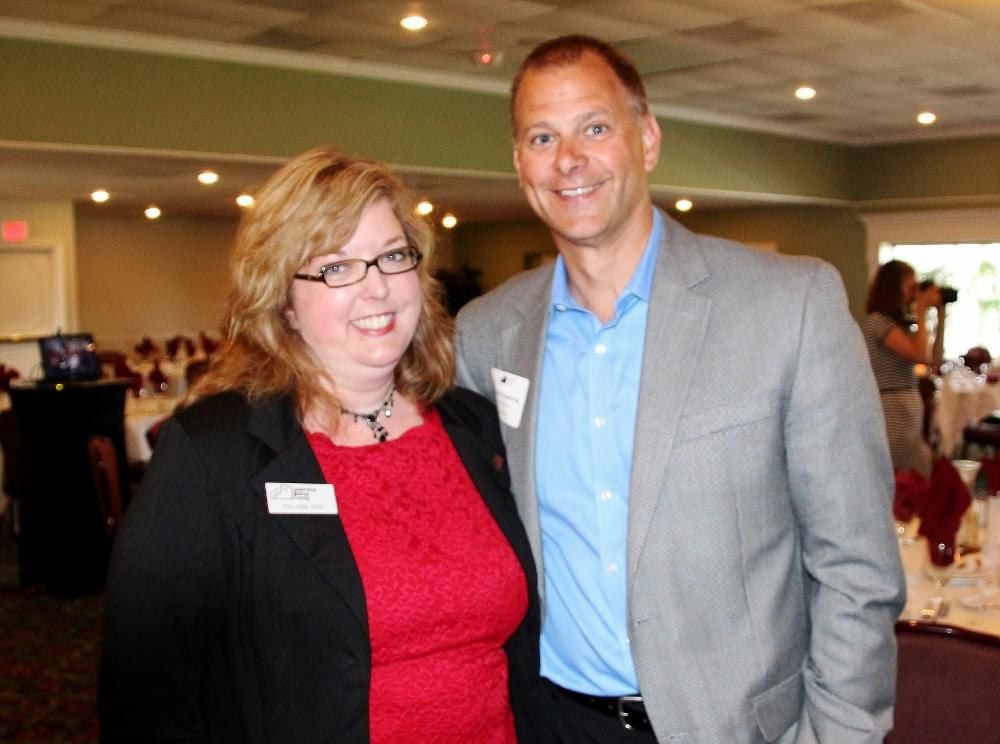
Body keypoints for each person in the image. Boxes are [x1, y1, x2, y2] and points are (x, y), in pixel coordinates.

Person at [455, 35, 906, 744]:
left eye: (595, 128)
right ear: (520, 165)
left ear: (648, 138)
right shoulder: (486, 335)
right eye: (543, 137)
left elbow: (856, 565)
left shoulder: (790, 304)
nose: (569, 158)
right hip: (551, 721)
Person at [99, 148, 541, 744]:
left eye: (392, 256)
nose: (377, 288)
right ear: (282, 299)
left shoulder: (476, 429)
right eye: (336, 267)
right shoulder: (214, 454)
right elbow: (147, 696)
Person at [863, 260, 945, 476]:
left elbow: (933, 359)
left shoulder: (899, 325)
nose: (914, 293)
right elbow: (919, 354)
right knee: (910, 474)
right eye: (910, 287)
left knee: (919, 471)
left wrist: (940, 317)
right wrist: (921, 310)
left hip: (907, 408)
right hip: (892, 411)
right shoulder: (877, 322)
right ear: (892, 288)